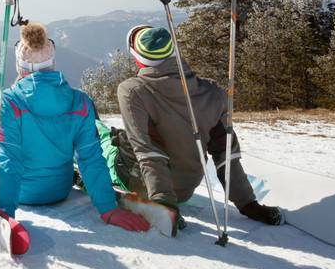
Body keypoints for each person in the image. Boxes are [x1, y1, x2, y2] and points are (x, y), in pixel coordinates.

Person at [0, 23, 149, 233]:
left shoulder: (8, 102)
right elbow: (90, 158)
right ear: (52, 62)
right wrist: (108, 208)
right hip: (60, 189)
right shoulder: (80, 102)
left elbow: (9, 162)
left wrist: (5, 213)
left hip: (22, 192)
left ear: (20, 65)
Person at [112, 24, 282, 227]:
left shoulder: (132, 90)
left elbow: (147, 152)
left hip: (147, 185)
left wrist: (164, 204)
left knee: (103, 141)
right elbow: (226, 155)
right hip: (186, 187)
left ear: (138, 58)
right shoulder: (212, 92)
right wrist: (248, 204)